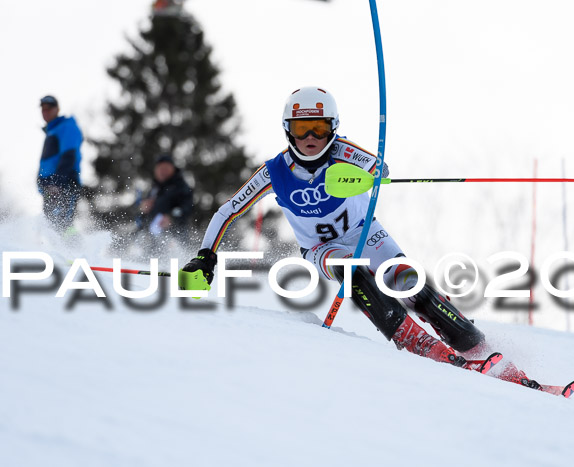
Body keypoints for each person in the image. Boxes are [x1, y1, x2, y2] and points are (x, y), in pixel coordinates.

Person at [178, 86, 543, 389]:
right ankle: (412, 339)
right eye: (301, 128)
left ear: (332, 127)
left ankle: (475, 345)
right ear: (288, 129)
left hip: (366, 234)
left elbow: (379, 168)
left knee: (408, 281)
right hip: (322, 248)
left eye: (319, 128)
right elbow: (229, 210)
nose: (310, 138)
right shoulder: (274, 171)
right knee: (348, 270)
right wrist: (205, 256)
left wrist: (371, 174)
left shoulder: (342, 152)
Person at [37, 95, 82, 231]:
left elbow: (69, 155)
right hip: (50, 187)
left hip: (62, 185)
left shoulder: (66, 127)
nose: (45, 112)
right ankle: (72, 250)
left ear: (57, 109)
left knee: (63, 226)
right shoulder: (52, 131)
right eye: (43, 109)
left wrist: (57, 183)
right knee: (52, 228)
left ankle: (78, 251)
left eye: (49, 109)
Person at [138, 153, 194, 244]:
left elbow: (187, 208)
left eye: (165, 168)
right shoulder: (153, 189)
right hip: (151, 241)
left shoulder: (182, 187)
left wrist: (171, 217)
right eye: (160, 168)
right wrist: (143, 209)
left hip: (174, 239)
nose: (162, 171)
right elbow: (141, 217)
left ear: (173, 169)